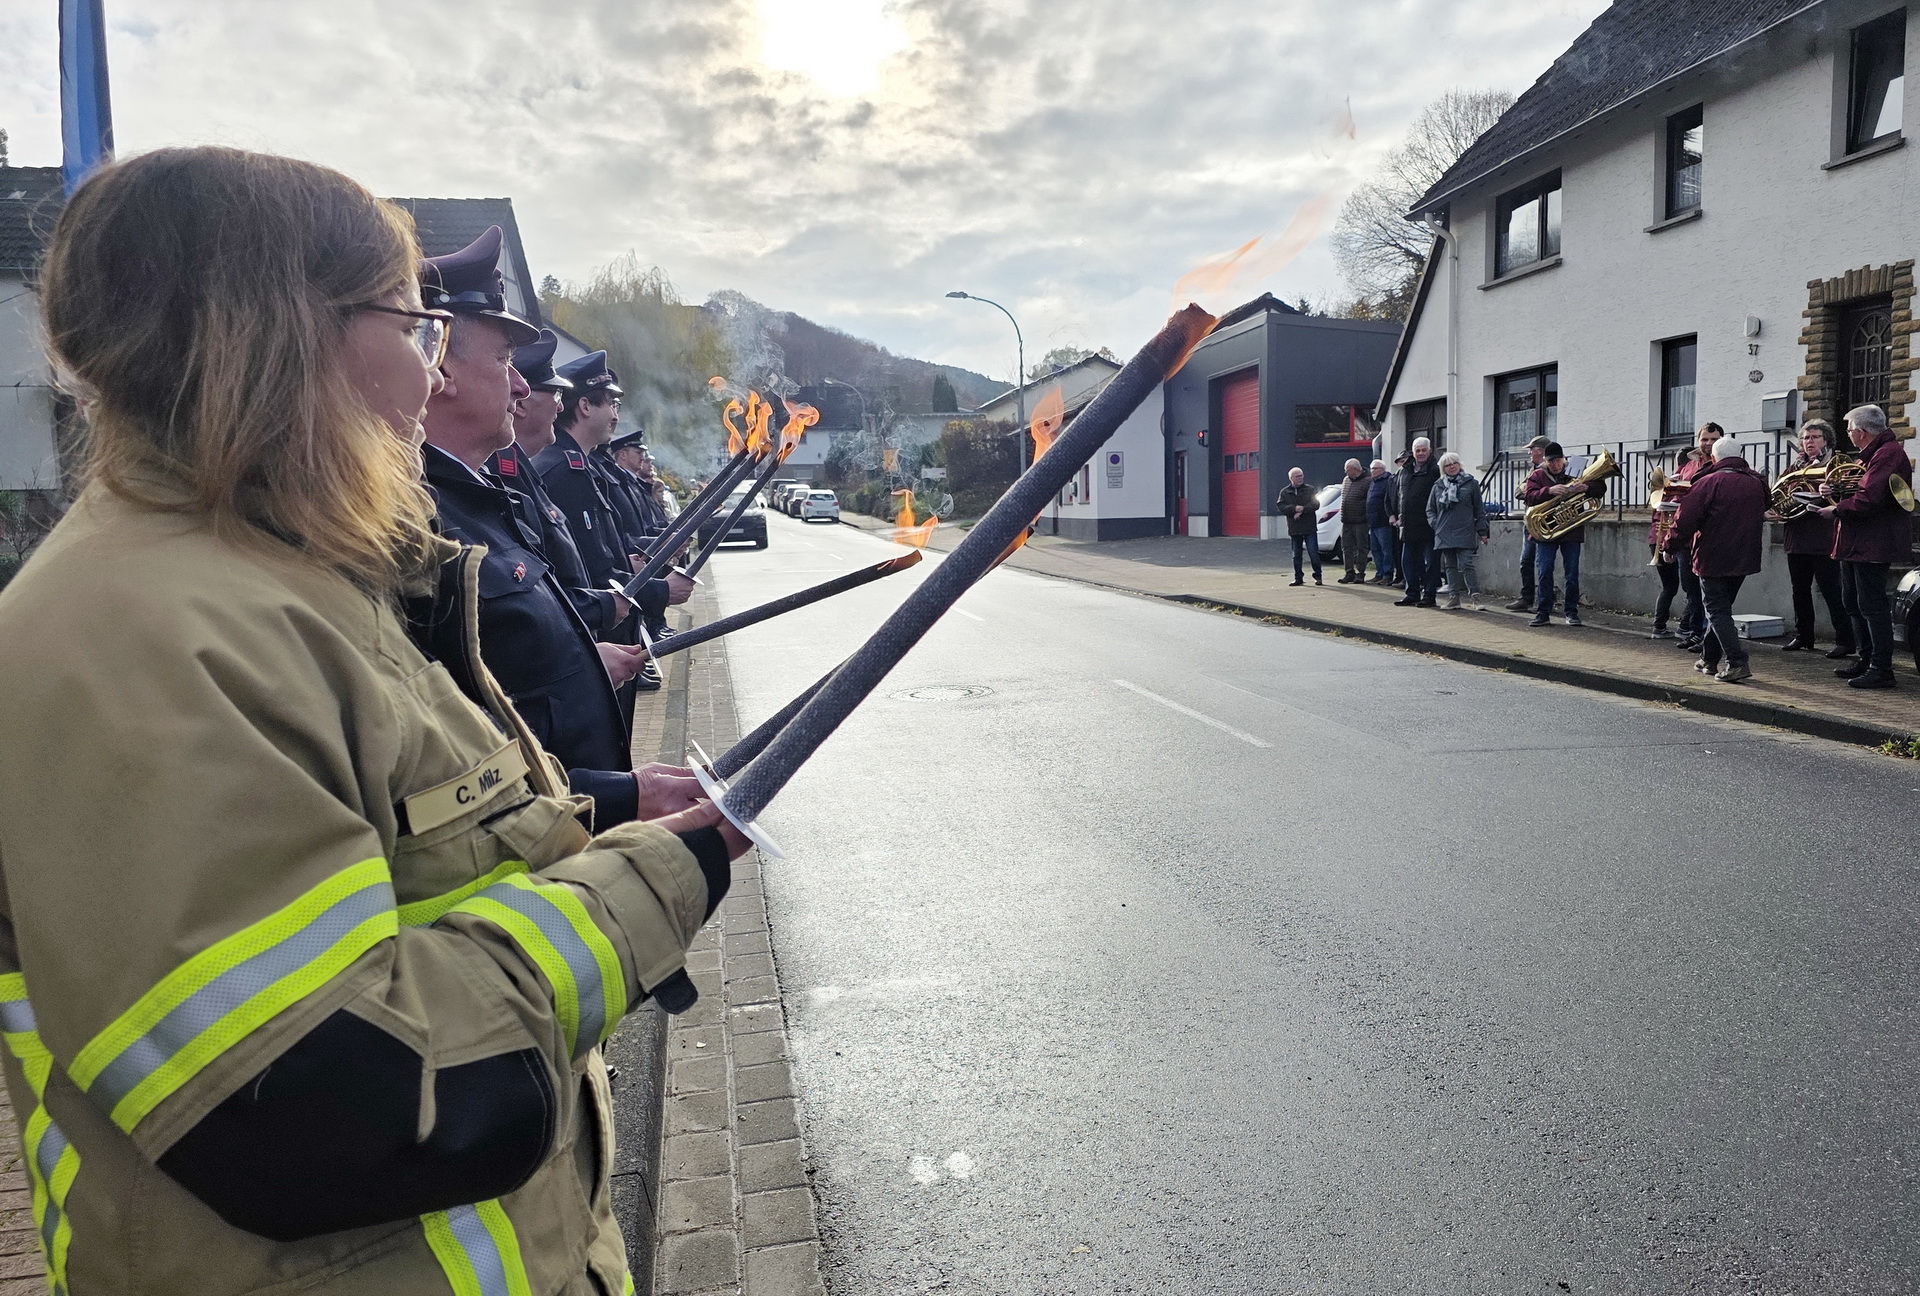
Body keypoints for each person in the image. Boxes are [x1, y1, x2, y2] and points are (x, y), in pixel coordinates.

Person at [0, 146, 746, 1295]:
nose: (431, 368)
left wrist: (596, 822)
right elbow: (342, 1104)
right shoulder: (142, 636)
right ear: (281, 331)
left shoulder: (287, 586)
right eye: (415, 328)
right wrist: (655, 878)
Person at [417, 229, 659, 808]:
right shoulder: (419, 513)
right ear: (440, 370)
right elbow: (456, 751)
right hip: (530, 834)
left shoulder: (472, 495)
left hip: (558, 813)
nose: (523, 386)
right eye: (505, 361)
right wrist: (622, 798)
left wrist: (577, 653)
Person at [1817, 403, 1915, 689]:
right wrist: (1832, 491)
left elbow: (1869, 497)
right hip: (1857, 540)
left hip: (1872, 540)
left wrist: (1836, 509)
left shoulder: (1887, 454)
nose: (1847, 434)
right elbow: (1857, 487)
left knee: (1871, 605)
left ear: (1860, 432)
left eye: (1849, 429)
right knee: (1853, 601)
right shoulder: (1873, 454)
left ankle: (1881, 668)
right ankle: (1866, 658)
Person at [1664, 436, 1770, 682]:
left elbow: (1684, 520)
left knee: (1717, 611)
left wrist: (1669, 546)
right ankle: (1708, 659)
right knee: (1720, 610)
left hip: (1712, 555)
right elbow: (1765, 507)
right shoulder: (1756, 482)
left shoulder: (1708, 482)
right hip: (1745, 555)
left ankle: (1736, 662)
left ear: (1714, 458)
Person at [1769, 419, 1855, 657]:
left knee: (1831, 590)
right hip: (1797, 536)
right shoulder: (1795, 467)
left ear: (1826, 440)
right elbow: (1780, 493)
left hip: (1823, 537)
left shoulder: (1835, 465)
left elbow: (1847, 493)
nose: (1809, 442)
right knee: (1800, 590)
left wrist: (1831, 491)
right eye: (1806, 438)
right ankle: (1803, 635)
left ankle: (1845, 640)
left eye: (1815, 437)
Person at [1523, 442, 1604, 627]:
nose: (1555, 465)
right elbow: (1528, 496)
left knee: (1572, 573)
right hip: (1546, 532)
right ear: (1545, 461)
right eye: (1551, 462)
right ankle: (1543, 613)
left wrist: (1587, 488)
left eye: (1558, 461)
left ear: (1563, 459)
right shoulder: (1538, 475)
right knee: (1544, 571)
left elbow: (1600, 488)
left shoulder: (1576, 470)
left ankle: (1571, 612)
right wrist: (1549, 491)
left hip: (1571, 530)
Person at [1670, 423, 1724, 652]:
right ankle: (1694, 632)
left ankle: (1709, 637)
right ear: (1698, 439)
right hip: (1686, 537)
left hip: (1709, 538)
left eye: (1713, 439)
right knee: (1690, 589)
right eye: (1704, 439)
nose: (1708, 444)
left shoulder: (1722, 466)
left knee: (1709, 593)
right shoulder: (1688, 465)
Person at [1427, 451, 1489, 610]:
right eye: (1447, 465)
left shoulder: (1471, 483)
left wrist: (1482, 531)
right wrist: (1436, 524)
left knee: (1466, 563)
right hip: (1444, 532)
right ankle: (1454, 598)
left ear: (1459, 464)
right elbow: (1430, 509)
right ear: (1443, 468)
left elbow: (1479, 509)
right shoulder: (1438, 485)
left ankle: (1475, 597)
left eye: (1454, 463)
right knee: (1450, 565)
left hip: (1465, 529)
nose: (1451, 467)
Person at [1507, 435, 1554, 611]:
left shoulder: (1551, 470)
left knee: (1542, 564)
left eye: (1531, 449)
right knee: (1526, 561)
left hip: (1545, 521)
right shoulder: (1533, 470)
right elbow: (1519, 491)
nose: (1528, 453)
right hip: (1530, 521)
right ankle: (1526, 598)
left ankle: (1544, 600)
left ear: (1540, 451)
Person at [1392, 436, 1440, 606]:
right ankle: (1412, 593)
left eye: (1423, 450)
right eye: (1417, 450)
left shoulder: (1436, 470)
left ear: (1430, 451)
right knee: (1408, 562)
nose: (1420, 453)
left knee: (1431, 563)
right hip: (1408, 524)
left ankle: (1429, 595)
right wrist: (1397, 515)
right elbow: (1399, 495)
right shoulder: (1404, 470)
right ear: (1412, 452)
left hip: (1429, 525)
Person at [1276, 466, 1322, 585]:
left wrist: (1303, 510)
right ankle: (1298, 578)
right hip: (1295, 528)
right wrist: (1293, 509)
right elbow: (1281, 507)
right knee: (1296, 555)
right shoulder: (1285, 492)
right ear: (1291, 478)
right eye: (1297, 476)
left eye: (1301, 475)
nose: (1300, 478)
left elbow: (1316, 504)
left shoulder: (1310, 489)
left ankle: (1318, 576)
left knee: (1313, 553)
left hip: (1309, 527)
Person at [1336, 458, 1370, 583]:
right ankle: (1349, 572)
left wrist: (1364, 516)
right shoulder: (1346, 480)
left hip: (1360, 521)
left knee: (1361, 547)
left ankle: (1360, 573)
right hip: (1346, 520)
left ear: (1356, 469)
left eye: (1347, 470)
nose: (1346, 473)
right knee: (1346, 547)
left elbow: (1369, 501)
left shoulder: (1367, 481)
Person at [1364, 458, 1398, 584]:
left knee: (1386, 550)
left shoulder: (1388, 481)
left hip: (1383, 522)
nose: (1372, 471)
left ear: (1382, 470)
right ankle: (1379, 573)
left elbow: (1389, 500)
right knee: (1375, 550)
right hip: (1372, 522)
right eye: (1371, 468)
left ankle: (1387, 575)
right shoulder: (1373, 482)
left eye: (1375, 468)